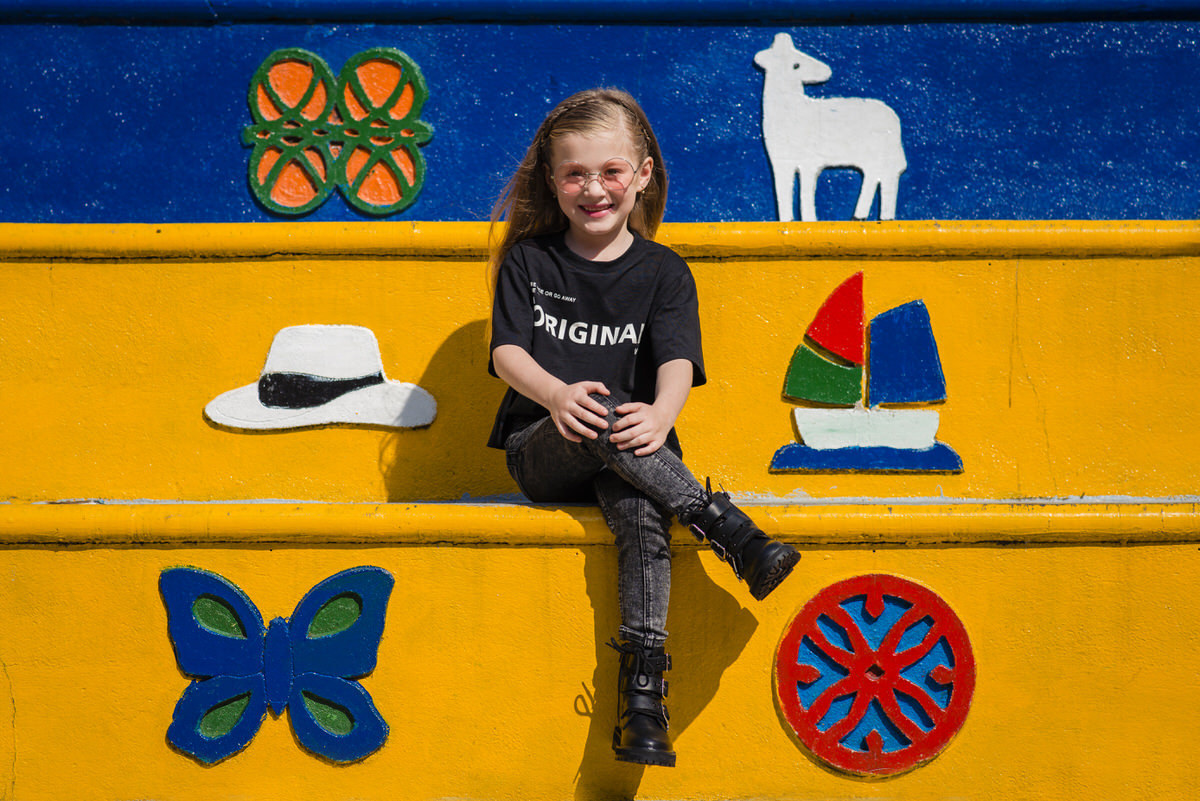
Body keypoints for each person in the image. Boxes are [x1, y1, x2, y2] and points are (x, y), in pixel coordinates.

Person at [486, 88, 799, 768]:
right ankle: (725, 525)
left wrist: (662, 413)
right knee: (594, 411)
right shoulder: (530, 262)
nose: (592, 188)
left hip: (637, 453)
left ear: (643, 175)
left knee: (638, 517)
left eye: (609, 171)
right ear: (551, 179)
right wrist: (555, 393)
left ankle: (643, 696)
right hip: (545, 451)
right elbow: (507, 352)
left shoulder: (664, 271)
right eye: (574, 173)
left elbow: (678, 363)